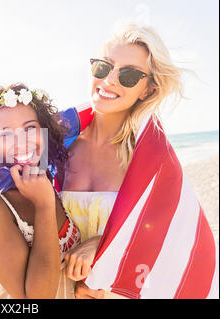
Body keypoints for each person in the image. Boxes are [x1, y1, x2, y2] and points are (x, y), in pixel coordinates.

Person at [60, 23, 218, 299]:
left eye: (129, 75)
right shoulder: (57, 145)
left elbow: (176, 237)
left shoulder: (151, 159)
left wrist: (102, 245)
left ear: (147, 89)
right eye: (102, 67)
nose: (109, 80)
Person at [0, 83, 81, 298]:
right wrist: (44, 205)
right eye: (5, 134)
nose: (22, 142)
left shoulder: (46, 179)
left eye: (30, 128)